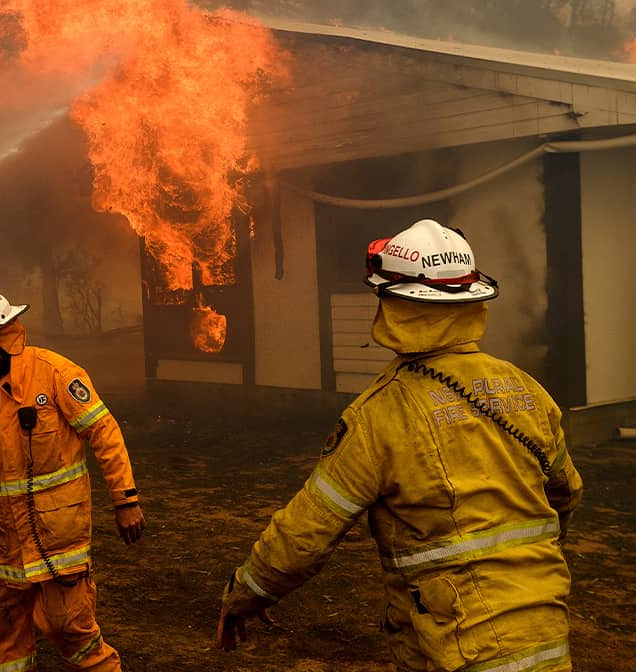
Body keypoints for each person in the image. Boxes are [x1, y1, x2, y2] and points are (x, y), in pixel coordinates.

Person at [217, 219, 584, 671]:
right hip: (545, 633)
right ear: (473, 303)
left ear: (393, 307)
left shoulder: (380, 414)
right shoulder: (527, 390)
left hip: (458, 646)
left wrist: (248, 592)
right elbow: (565, 492)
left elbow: (307, 532)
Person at [0, 286, 145, 672]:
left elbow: (104, 433)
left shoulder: (56, 374)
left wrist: (125, 500)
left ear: (4, 337)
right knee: (9, 633)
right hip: (5, 539)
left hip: (57, 535)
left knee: (72, 630)